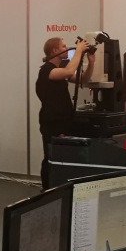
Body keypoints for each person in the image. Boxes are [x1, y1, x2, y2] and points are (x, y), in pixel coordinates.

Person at [36, 36, 94, 189]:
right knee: (51, 157)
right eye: (63, 46)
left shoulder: (60, 68)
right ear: (55, 50)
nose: (67, 48)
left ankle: (62, 187)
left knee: (66, 156)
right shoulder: (46, 70)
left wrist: (91, 63)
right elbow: (69, 71)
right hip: (52, 122)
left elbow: (83, 79)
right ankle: (47, 189)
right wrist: (79, 50)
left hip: (65, 120)